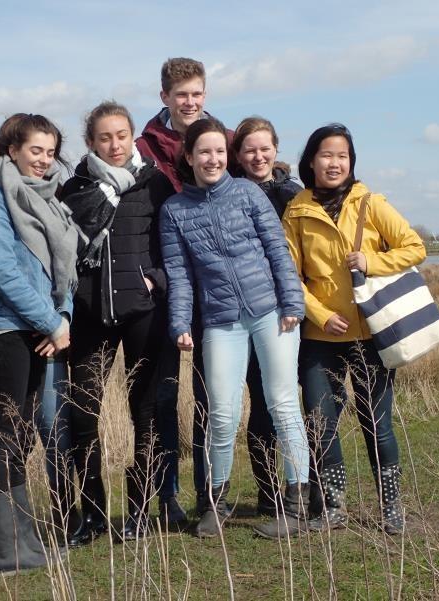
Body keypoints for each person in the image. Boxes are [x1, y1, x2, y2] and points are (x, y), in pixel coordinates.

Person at [159, 117, 311, 539]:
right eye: (204, 152)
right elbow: (180, 273)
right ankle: (216, 501)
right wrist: (180, 323)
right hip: (221, 323)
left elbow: (277, 250)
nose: (213, 159)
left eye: (219, 152)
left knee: (283, 405)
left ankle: (296, 504)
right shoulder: (175, 211)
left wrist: (292, 302)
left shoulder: (247, 193)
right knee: (222, 415)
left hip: (271, 313)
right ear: (188, 157)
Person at [282, 124, 426, 535]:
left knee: (377, 423)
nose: (334, 163)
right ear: (311, 161)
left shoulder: (371, 203)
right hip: (320, 337)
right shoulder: (297, 210)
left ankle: (391, 504)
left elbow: (415, 247)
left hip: (370, 335)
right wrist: (319, 314)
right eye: (327, 155)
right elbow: (290, 278)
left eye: (342, 155)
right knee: (321, 423)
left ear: (351, 161)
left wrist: (371, 263)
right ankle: (332, 506)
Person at [60, 101, 178, 543]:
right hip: (91, 315)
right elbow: (63, 250)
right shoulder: (74, 187)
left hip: (142, 315)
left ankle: (140, 512)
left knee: (144, 413)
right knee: (83, 413)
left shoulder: (154, 185)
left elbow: (173, 241)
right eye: (105, 137)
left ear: (133, 138)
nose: (114, 145)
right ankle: (91, 514)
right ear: (91, 141)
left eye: (121, 135)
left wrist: (159, 280)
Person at [0, 113, 80, 574]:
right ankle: (8, 549)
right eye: (36, 150)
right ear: (11, 149)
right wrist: (51, 322)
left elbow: (62, 270)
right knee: (5, 432)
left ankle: (24, 544)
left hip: (40, 328)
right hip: (2, 328)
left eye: (51, 152)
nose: (44, 159)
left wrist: (63, 317)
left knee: (20, 435)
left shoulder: (49, 202)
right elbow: (1, 272)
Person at [135, 56, 234, 518]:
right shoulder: (143, 148)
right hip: (165, 287)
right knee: (163, 394)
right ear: (164, 98)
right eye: (181, 95)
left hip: (214, 289)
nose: (189, 102)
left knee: (211, 394)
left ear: (205, 95)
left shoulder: (223, 141)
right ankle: (167, 494)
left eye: (196, 93)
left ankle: (209, 494)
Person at [230, 116, 303, 515]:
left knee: (290, 401)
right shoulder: (229, 194)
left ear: (275, 149)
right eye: (249, 150)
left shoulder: (294, 195)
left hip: (291, 310)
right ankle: (267, 491)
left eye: (264, 148)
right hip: (251, 313)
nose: (258, 156)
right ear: (237, 156)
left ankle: (304, 488)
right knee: (260, 402)